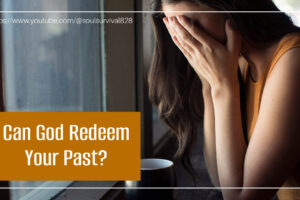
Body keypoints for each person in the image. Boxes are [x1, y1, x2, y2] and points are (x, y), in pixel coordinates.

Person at [148, 0, 300, 199]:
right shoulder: (243, 60)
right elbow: (220, 178)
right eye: (176, 26)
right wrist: (209, 84)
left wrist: (223, 86)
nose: (186, 38)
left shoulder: (292, 61)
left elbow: (239, 196)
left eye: (191, 24)